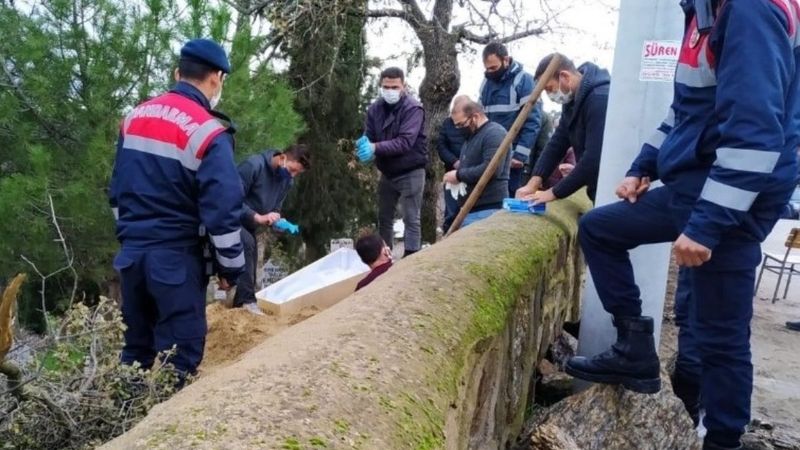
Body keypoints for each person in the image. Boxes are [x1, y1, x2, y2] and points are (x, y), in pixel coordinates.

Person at [564, 2, 800, 449]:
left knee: (720, 333)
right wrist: (641, 166)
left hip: (730, 197)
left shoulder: (747, 11)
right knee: (600, 229)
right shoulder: (704, 14)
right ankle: (636, 350)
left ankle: (724, 439)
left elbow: (756, 134)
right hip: (694, 187)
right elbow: (681, 114)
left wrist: (708, 225)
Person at [109, 39, 245, 382]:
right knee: (178, 361)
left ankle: (122, 426)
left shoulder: (133, 118)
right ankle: (164, 434)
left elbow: (117, 194)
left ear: (177, 73)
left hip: (131, 256)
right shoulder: (209, 131)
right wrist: (231, 269)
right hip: (175, 262)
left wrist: (131, 238)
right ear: (216, 78)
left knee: (135, 352)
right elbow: (223, 212)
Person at [515, 53, 610, 205]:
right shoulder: (572, 102)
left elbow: (593, 158)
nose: (550, 95)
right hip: (596, 189)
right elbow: (557, 143)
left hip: (611, 188)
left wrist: (553, 193)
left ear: (565, 76)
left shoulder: (599, 99)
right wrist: (533, 183)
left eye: (549, 88)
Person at [357, 67, 428, 257]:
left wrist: (374, 147)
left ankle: (412, 257)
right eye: (386, 86)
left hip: (411, 169)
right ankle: (384, 257)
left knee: (411, 218)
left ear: (403, 86)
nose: (390, 91)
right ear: (381, 86)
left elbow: (405, 142)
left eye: (394, 86)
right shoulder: (375, 109)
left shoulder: (413, 109)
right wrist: (364, 146)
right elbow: (369, 135)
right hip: (387, 171)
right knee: (384, 217)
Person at [233, 145, 311, 315]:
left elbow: (275, 209)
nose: (292, 176)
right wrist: (257, 217)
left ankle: (240, 305)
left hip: (248, 225)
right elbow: (230, 199)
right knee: (247, 244)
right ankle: (247, 302)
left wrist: (278, 221)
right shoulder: (253, 165)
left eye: (297, 173)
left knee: (250, 259)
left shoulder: (286, 181)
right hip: (229, 219)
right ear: (282, 157)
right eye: (292, 170)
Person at [479, 43, 543, 197]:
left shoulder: (524, 81)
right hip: (491, 156)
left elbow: (532, 121)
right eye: (487, 68)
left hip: (514, 158)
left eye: (493, 68)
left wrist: (520, 155)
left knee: (512, 198)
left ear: (506, 60)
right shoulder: (485, 84)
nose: (490, 72)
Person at [442, 98, 510, 227]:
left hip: (488, 208)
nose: (459, 129)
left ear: (475, 117)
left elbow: (491, 170)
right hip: (470, 209)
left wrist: (458, 176)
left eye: (461, 124)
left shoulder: (494, 133)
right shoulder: (471, 137)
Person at [437, 98, 468, 233]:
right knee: (451, 211)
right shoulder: (447, 124)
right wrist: (454, 161)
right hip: (451, 172)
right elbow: (441, 146)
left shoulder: (472, 124)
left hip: (470, 171)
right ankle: (448, 234)